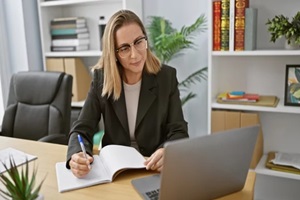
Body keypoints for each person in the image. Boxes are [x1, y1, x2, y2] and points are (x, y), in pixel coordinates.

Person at [66, 9, 188, 178]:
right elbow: (81, 129)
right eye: (124, 48)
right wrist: (77, 155)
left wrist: (166, 150)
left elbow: (179, 130)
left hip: (153, 168)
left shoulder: (166, 77)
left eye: (139, 41)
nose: (135, 54)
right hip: (117, 171)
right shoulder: (102, 80)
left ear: (146, 39)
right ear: (114, 54)